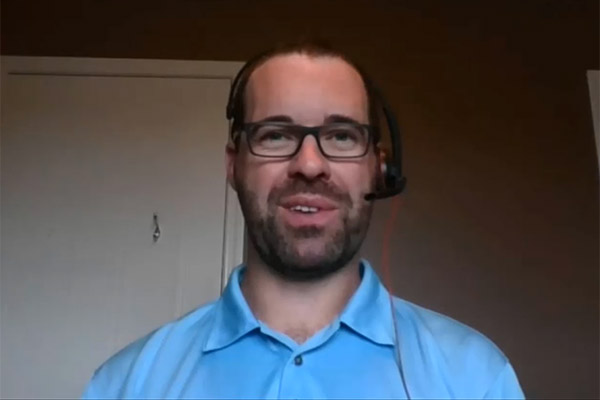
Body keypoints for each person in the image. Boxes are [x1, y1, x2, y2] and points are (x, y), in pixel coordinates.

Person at [82, 41, 525, 399]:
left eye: (341, 136)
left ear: (378, 167)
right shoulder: (126, 384)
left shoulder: (475, 378)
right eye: (275, 135)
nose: (309, 164)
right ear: (233, 165)